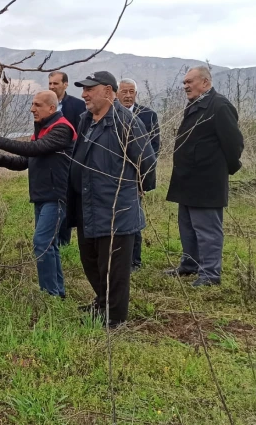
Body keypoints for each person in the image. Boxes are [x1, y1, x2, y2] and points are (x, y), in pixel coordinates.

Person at [69, 71, 155, 328]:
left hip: (116, 208)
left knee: (114, 268)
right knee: (91, 260)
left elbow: (146, 162)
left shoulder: (125, 121)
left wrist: (135, 191)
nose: (84, 94)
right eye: (83, 89)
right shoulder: (85, 120)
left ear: (108, 91)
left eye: (89, 89)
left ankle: (115, 319)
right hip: (88, 205)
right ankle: (102, 302)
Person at [0, 91, 75, 297]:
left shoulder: (62, 129)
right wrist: (2, 159)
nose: (32, 109)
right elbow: (26, 160)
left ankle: (49, 294)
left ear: (51, 108)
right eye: (32, 104)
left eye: (37, 105)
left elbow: (35, 148)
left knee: (42, 243)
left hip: (56, 197)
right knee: (49, 244)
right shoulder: (43, 129)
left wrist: (0, 141)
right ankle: (57, 292)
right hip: (42, 197)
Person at [164, 66, 244, 287]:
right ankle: (189, 265)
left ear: (206, 83)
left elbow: (234, 144)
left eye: (190, 82)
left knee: (207, 229)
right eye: (184, 82)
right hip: (186, 179)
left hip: (206, 181)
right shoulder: (195, 104)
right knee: (187, 227)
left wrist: (222, 169)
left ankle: (210, 274)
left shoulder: (219, 106)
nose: (185, 86)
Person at [117, 78, 161, 272]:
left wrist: (142, 178)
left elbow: (154, 148)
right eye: (124, 92)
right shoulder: (111, 114)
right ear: (116, 93)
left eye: (131, 92)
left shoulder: (148, 115)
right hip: (113, 176)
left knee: (133, 218)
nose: (128, 96)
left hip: (136, 178)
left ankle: (134, 261)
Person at [48, 71, 85, 246]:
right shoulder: (45, 104)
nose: (52, 87)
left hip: (70, 161)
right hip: (49, 161)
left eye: (55, 83)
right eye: (50, 83)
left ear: (65, 84)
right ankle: (51, 237)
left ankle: (64, 240)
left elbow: (82, 133)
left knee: (66, 199)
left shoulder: (78, 106)